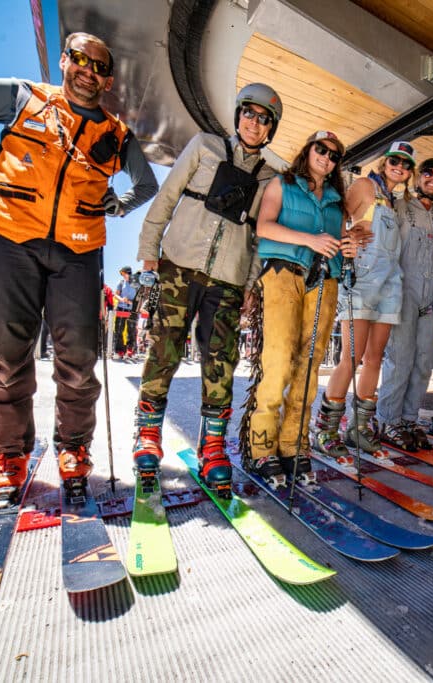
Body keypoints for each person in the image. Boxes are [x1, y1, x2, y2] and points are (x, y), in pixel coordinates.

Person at [0, 31, 158, 503]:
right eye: (78, 58)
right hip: (11, 237)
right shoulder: (23, 96)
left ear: (107, 79)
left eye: (97, 65)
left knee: (78, 359)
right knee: (10, 354)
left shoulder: (115, 133)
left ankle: (74, 449)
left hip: (79, 249)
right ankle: (9, 456)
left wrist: (119, 204)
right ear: (66, 60)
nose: (86, 70)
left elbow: (146, 183)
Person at [133, 84, 283, 495]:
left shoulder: (270, 178)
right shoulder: (204, 145)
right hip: (180, 265)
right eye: (249, 114)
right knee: (164, 347)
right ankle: (147, 435)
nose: (255, 123)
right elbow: (168, 196)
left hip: (230, 279)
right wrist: (149, 250)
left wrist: (250, 284)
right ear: (237, 116)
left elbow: (259, 239)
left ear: (271, 128)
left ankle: (213, 445)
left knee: (221, 361)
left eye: (264, 118)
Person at [241, 130, 356, 484]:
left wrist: (347, 245)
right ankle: (261, 448)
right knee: (277, 361)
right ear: (307, 150)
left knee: (309, 364)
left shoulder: (338, 200)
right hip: (283, 274)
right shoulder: (282, 183)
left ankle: (293, 444)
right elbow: (264, 226)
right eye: (320, 150)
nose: (326, 157)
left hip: (325, 281)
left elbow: (339, 239)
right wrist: (311, 240)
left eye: (333, 155)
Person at [311, 141, 411, 462]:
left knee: (375, 358)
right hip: (363, 278)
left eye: (406, 164)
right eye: (395, 160)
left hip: (390, 282)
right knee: (351, 356)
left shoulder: (396, 202)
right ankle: (325, 429)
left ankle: (359, 427)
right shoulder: (364, 185)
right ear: (385, 162)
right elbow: (336, 216)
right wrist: (345, 244)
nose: (400, 167)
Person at [377, 158, 433, 451]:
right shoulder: (399, 206)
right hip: (404, 295)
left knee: (423, 363)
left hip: (430, 299)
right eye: (427, 173)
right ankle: (387, 420)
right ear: (417, 177)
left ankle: (409, 419)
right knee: (400, 360)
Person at [113, 266, 138, 360]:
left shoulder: (136, 283)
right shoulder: (121, 282)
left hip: (132, 309)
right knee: (119, 328)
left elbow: (140, 296)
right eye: (122, 274)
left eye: (124, 274)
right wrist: (122, 299)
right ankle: (119, 351)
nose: (123, 276)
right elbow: (116, 294)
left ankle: (131, 350)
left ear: (129, 273)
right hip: (121, 307)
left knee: (131, 330)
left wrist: (131, 302)